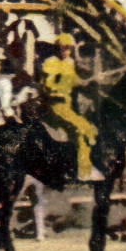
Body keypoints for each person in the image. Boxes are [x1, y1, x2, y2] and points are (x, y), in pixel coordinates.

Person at [39, 32, 97, 181]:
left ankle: (85, 173)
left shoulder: (70, 63)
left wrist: (84, 81)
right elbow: (47, 84)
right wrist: (55, 91)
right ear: (57, 48)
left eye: (68, 48)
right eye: (63, 48)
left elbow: (73, 80)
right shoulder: (50, 62)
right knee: (83, 128)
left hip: (67, 105)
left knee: (80, 136)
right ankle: (91, 136)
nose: (65, 51)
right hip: (54, 105)